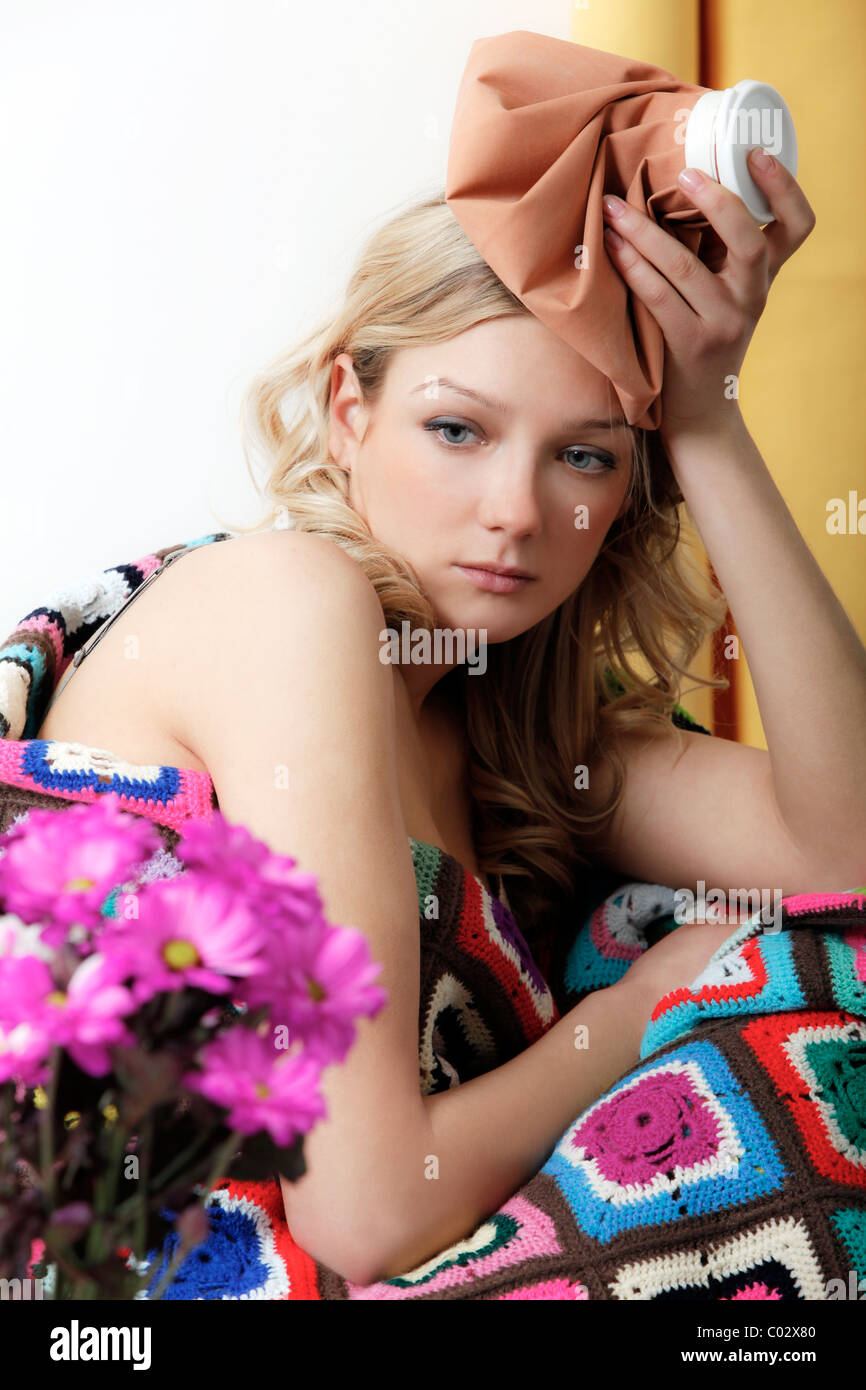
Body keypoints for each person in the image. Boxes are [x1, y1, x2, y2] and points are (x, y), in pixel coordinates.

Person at [20, 151, 866, 1292]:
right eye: (456, 430)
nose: (515, 512)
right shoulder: (287, 602)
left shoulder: (519, 731)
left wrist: (706, 416)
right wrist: (634, 1011)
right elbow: (368, 1207)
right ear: (347, 409)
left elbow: (842, 856)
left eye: (583, 454)